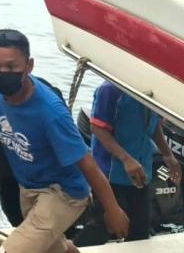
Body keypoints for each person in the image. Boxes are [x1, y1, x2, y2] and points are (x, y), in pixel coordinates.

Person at [0, 29, 130, 253]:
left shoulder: (51, 114)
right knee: (52, 248)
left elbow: (89, 164)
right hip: (29, 185)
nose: (1, 72)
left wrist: (112, 210)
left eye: (11, 67)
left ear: (29, 66)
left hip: (63, 193)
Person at [74, 80, 182, 246]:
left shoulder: (155, 90)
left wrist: (167, 155)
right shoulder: (110, 90)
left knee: (140, 231)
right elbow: (97, 129)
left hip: (141, 173)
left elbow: (153, 126)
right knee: (102, 227)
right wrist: (126, 159)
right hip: (110, 174)